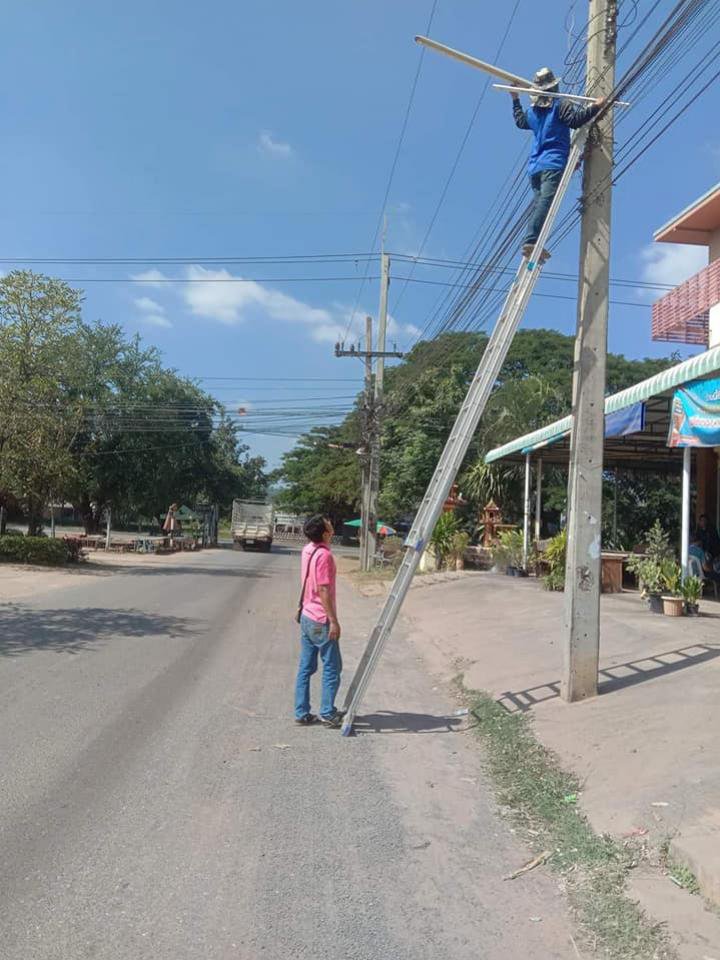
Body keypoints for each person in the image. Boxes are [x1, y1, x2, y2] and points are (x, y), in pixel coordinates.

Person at [512, 67, 605, 260]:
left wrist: (514, 99)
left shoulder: (533, 112)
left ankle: (533, 241)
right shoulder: (560, 105)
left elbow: (520, 122)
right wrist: (596, 107)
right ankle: (531, 241)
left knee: (540, 203)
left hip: (535, 168)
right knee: (546, 202)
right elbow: (575, 121)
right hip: (553, 163)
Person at [294, 515, 343, 728]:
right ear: (325, 533)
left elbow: (307, 580)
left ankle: (302, 712)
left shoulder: (308, 550)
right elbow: (323, 589)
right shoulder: (324, 555)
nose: (331, 523)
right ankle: (327, 712)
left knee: (306, 667)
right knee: (332, 666)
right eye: (328, 523)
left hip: (306, 614)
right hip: (319, 619)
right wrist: (333, 621)